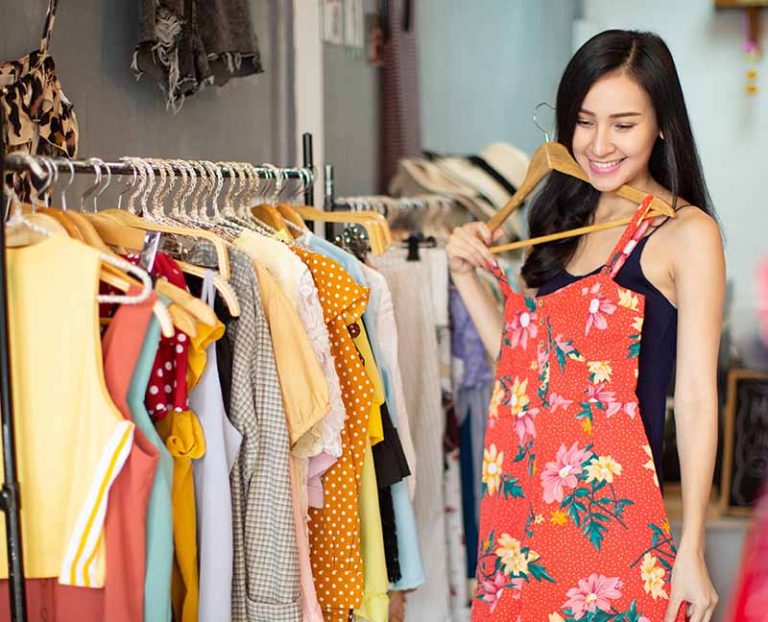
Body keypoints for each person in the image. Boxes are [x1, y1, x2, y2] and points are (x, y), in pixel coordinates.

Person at [448, 30, 723, 622]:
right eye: (584, 121)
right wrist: (467, 278)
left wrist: (693, 548)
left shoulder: (685, 234)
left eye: (623, 124)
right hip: (523, 526)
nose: (599, 144)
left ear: (662, 126)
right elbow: (531, 378)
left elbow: (698, 399)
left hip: (617, 533)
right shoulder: (564, 216)